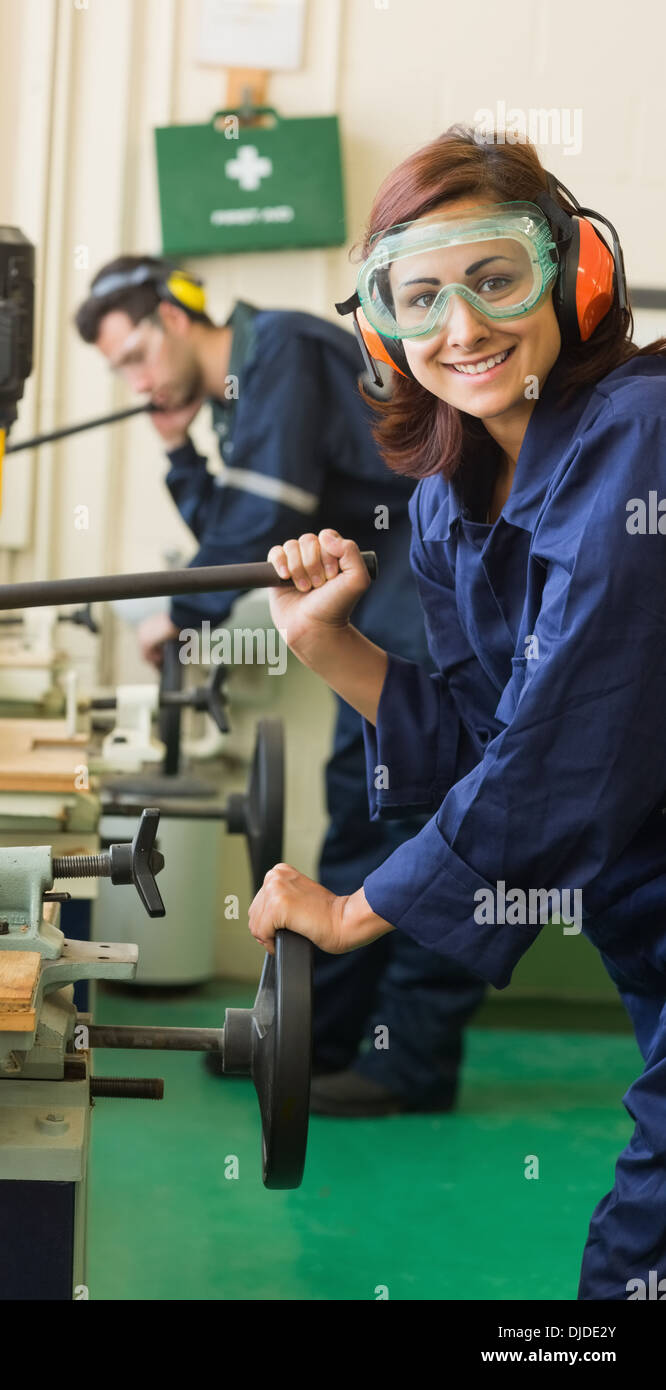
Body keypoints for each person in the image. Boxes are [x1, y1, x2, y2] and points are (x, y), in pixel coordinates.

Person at [248, 124, 666, 1300]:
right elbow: (485, 734)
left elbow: (564, 755)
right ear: (380, 326)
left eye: (495, 279)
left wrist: (350, 914)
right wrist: (329, 642)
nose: (461, 328)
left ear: (573, 276)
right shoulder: (445, 496)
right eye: (419, 296)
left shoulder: (643, 440)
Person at [75, 258, 486, 1114]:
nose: (139, 379)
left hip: (428, 596)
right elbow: (247, 537)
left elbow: (256, 525)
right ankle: (320, 1038)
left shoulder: (284, 355)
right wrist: (178, 448)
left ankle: (410, 1059)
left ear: (178, 314)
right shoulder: (241, 395)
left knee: (428, 818)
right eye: (121, 372)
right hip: (378, 612)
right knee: (367, 817)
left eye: (138, 353)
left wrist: (181, 615)